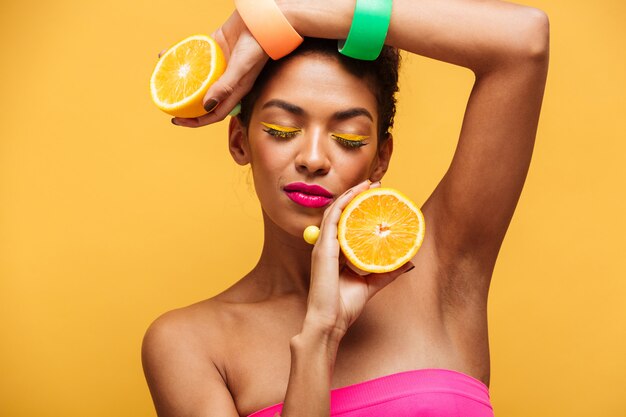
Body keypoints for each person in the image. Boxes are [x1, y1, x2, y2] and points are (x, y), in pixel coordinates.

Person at [142, 1, 550, 416]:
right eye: (283, 129)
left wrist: (286, 12)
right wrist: (321, 335)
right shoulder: (189, 345)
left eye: (350, 137)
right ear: (239, 141)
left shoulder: (442, 269)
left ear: (381, 158)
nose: (314, 158)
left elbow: (523, 40)